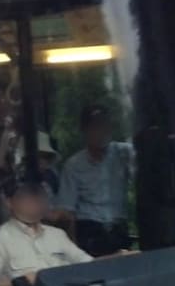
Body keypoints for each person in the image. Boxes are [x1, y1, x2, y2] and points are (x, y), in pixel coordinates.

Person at [0, 180, 94, 286]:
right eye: (26, 198)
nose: (34, 203)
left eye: (38, 198)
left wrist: (117, 257)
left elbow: (89, 265)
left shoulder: (57, 235)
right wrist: (23, 281)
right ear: (9, 203)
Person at [57, 105, 135, 256]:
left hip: (118, 231)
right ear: (85, 131)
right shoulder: (73, 165)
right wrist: (75, 251)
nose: (101, 131)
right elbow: (67, 213)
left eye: (104, 125)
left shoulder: (124, 153)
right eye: (95, 126)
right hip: (90, 234)